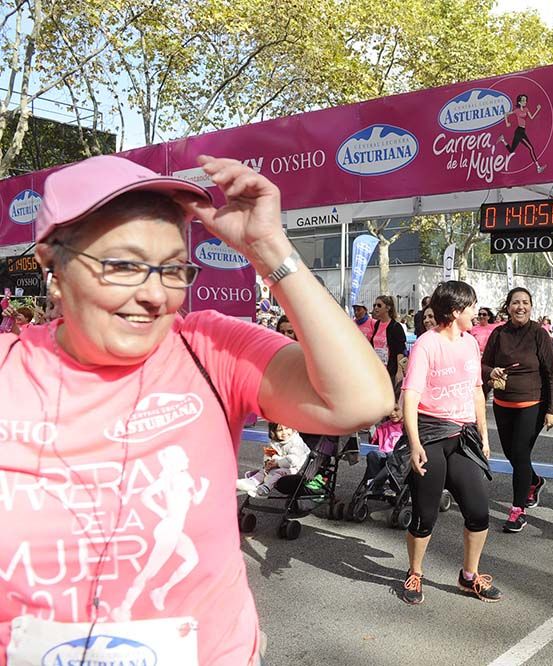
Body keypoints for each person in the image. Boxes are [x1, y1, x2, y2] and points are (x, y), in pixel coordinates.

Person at [0, 154, 393, 664]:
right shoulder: (10, 368)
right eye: (122, 265)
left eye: (171, 269)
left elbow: (363, 401)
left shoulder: (207, 347)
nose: (153, 294)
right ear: (52, 262)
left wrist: (267, 247)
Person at [399, 280, 500, 605]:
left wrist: (483, 435)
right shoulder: (426, 344)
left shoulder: (470, 343)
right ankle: (415, 572)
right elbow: (410, 397)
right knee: (424, 517)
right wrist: (414, 444)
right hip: (430, 435)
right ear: (456, 311)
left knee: (479, 513)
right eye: (471, 306)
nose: (476, 312)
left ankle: (469, 575)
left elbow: (475, 390)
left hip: (463, 435)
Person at [481, 288, 553, 533]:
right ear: (508, 307)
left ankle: (517, 511)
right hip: (503, 403)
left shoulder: (539, 334)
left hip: (532, 405)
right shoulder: (498, 333)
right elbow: (483, 364)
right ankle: (534, 481)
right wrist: (489, 372)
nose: (521, 307)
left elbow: (552, 374)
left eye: (525, 302)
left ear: (531, 306)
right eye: (516, 303)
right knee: (512, 454)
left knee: (520, 452)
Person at [236, 422, 309, 497]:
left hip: (296, 468)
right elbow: (268, 453)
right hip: (281, 463)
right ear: (273, 432)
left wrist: (277, 463)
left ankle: (265, 487)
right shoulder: (275, 442)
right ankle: (252, 482)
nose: (284, 432)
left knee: (279, 473)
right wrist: (268, 462)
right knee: (264, 470)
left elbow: (293, 460)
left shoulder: (296, 442)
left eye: (287, 429)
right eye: (280, 430)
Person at [499, 93, 546, 173]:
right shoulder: (517, 111)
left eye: (525, 100)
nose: (525, 102)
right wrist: (507, 123)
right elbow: (506, 114)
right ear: (519, 102)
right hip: (519, 132)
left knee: (511, 150)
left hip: (522, 131)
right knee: (531, 148)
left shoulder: (526, 109)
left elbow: (531, 117)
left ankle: (503, 140)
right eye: (523, 100)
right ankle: (538, 167)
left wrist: (537, 109)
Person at [371, 294, 407, 386]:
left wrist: (399, 371)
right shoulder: (377, 324)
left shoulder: (396, 327)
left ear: (387, 308)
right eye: (374, 305)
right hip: (377, 370)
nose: (375, 308)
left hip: (391, 371)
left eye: (379, 305)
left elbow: (400, 351)